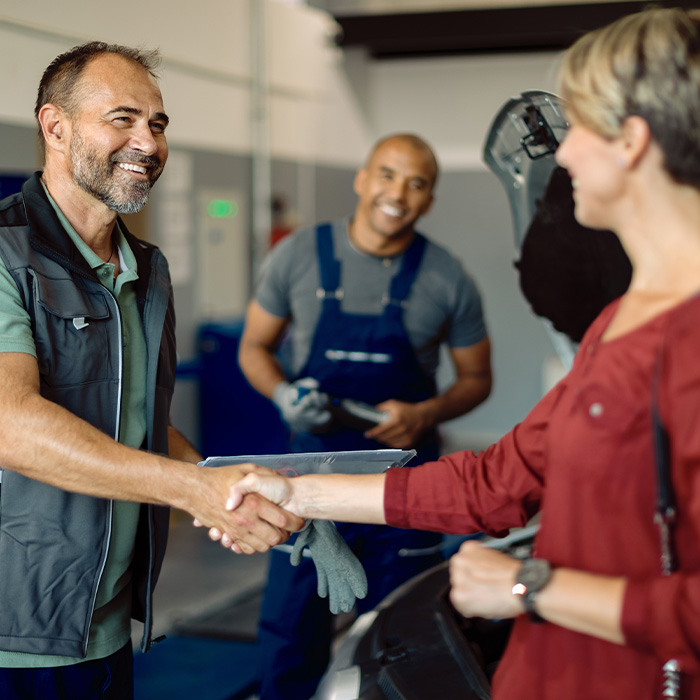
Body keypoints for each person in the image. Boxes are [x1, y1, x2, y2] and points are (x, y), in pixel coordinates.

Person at [225, 8, 700, 698]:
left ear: (630, 141)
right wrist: (296, 490)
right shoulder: (616, 325)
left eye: (581, 130)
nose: (562, 156)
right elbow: (496, 484)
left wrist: (531, 584)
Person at [0, 41, 302, 700]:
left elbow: (133, 417)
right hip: (16, 637)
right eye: (123, 118)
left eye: (158, 124)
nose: (148, 141)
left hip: (109, 626)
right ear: (55, 127)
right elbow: (12, 427)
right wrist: (185, 491)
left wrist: (225, 495)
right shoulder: (4, 254)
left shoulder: (148, 268)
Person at [238, 133, 492, 699]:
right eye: (386, 174)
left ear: (429, 200)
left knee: (403, 638)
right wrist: (282, 393)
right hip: (303, 490)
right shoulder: (298, 255)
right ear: (362, 178)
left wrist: (426, 412)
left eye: (417, 183)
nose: (397, 192)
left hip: (403, 492)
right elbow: (253, 348)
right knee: (288, 638)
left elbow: (478, 379)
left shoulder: (447, 278)